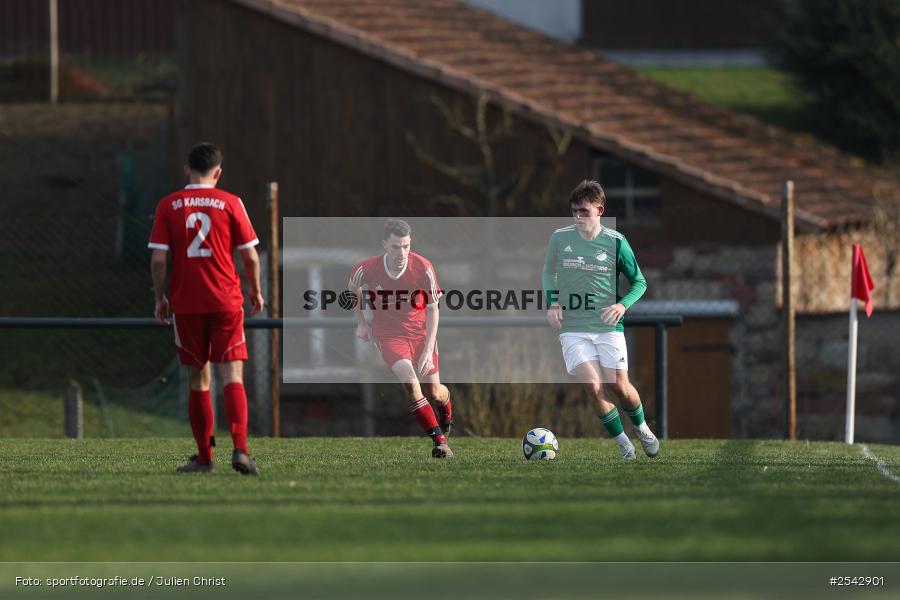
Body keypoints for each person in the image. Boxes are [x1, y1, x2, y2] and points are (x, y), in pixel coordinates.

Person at [148, 142, 265, 474]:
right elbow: (251, 255)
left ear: (187, 169)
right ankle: (240, 450)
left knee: (199, 378)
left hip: (187, 303)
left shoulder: (169, 205)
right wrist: (255, 290)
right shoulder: (231, 202)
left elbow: (159, 259)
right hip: (226, 300)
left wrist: (160, 297)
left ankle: (204, 457)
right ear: (219, 172)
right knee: (232, 373)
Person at [542, 180, 659, 460]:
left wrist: (622, 305)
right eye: (574, 211)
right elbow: (548, 272)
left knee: (620, 386)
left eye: (584, 211)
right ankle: (623, 444)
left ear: (600, 210)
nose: (578, 217)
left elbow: (639, 282)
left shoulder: (616, 243)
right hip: (573, 327)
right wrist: (553, 302)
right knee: (593, 386)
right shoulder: (560, 238)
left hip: (608, 327)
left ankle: (641, 427)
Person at [348, 219, 453, 458]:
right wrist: (362, 323)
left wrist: (427, 350)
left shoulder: (423, 267)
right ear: (385, 245)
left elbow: (433, 309)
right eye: (396, 247)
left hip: (421, 336)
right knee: (410, 382)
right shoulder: (366, 268)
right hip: (389, 336)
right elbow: (353, 290)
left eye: (406, 246)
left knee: (434, 392)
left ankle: (447, 413)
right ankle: (440, 442)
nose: (402, 252)